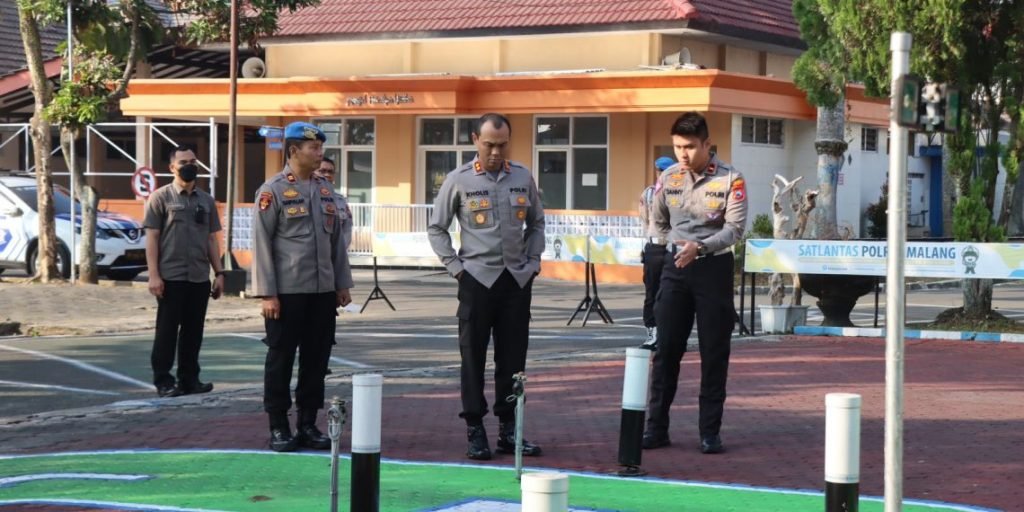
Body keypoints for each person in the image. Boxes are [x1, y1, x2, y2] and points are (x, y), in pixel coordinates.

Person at [427, 113, 546, 461]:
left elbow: (537, 223)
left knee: (513, 360)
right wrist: (455, 267)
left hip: (515, 282)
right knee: (473, 358)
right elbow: (437, 228)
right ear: (475, 140)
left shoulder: (522, 176)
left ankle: (510, 429)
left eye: (502, 144)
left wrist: (533, 261)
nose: (495, 151)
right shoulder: (459, 180)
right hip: (476, 280)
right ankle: (475, 430)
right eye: (489, 144)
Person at [643, 112, 747, 455]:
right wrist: (664, 254)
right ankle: (656, 428)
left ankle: (709, 432)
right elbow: (657, 222)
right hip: (675, 268)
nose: (683, 154)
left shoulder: (731, 178)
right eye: (677, 147)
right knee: (666, 350)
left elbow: (734, 229)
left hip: (712, 268)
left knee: (714, 352)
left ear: (707, 144)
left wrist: (699, 247)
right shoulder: (669, 177)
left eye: (689, 147)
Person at [251, 121, 353, 452]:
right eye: (314, 148)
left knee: (316, 360)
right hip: (287, 293)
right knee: (280, 360)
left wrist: (342, 283)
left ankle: (308, 423)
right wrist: (268, 292)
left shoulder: (326, 191)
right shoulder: (273, 191)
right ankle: (279, 426)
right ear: (294, 151)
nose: (320, 153)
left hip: (322, 292)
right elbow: (262, 244)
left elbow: (337, 242)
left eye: (321, 147)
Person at [143, 146, 224, 398]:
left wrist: (219, 273)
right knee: (167, 331)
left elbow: (211, 239)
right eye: (183, 162)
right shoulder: (160, 198)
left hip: (199, 277)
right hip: (171, 276)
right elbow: (152, 238)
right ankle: (164, 381)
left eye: (193, 161)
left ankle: (190, 379)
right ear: (172, 168)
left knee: (193, 332)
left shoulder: (206, 200)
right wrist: (154, 275)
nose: (189, 165)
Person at [637, 156, 677, 350]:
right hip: (654, 245)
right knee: (651, 292)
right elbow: (645, 220)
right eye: (661, 171)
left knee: (673, 293)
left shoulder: (679, 193)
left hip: (672, 247)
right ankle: (652, 333)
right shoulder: (649, 194)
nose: (663, 175)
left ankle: (671, 333)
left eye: (668, 171)